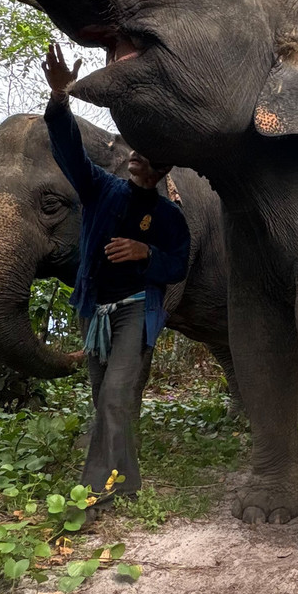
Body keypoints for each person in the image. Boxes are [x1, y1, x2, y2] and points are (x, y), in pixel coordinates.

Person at [42, 43, 191, 519]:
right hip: (95, 311)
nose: (135, 155)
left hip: (135, 312)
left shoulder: (169, 217)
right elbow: (68, 152)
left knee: (114, 395)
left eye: (146, 154)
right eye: (134, 150)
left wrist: (147, 253)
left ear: (162, 167)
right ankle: (126, 481)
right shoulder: (101, 189)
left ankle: (88, 497)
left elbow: (178, 266)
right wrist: (60, 98)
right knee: (105, 398)